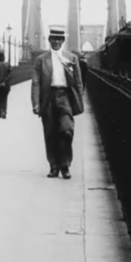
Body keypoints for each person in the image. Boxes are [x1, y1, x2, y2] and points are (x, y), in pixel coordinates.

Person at [31, 25, 84, 179]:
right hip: (48, 97)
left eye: (59, 39)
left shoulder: (71, 58)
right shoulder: (41, 60)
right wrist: (36, 103)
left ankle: (65, 165)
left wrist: (77, 101)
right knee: (50, 133)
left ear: (63, 40)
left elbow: (78, 82)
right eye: (53, 39)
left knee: (67, 130)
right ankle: (54, 166)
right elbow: (36, 83)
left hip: (65, 97)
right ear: (49, 40)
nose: (56, 42)